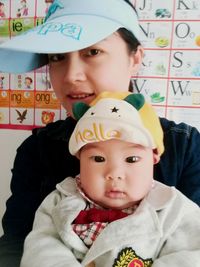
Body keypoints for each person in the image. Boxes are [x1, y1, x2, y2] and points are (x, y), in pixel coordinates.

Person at [0, 0, 200, 266]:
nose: (71, 75)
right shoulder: (37, 149)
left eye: (93, 51)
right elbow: (16, 244)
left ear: (135, 58)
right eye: (57, 57)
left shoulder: (184, 147)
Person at [20, 92, 200, 267]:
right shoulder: (59, 201)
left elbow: (190, 255)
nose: (114, 173)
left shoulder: (175, 209)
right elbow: (42, 248)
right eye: (98, 159)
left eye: (131, 159)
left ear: (153, 159)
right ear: (79, 159)